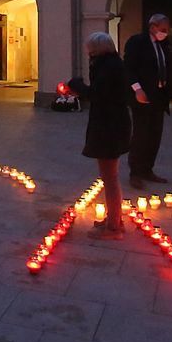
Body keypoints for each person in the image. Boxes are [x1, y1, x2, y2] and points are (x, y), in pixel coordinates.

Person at [68, 32, 132, 239]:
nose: (89, 54)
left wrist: (76, 86)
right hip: (112, 124)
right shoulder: (111, 64)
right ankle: (113, 219)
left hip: (109, 127)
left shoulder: (108, 67)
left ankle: (113, 228)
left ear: (99, 49)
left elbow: (98, 94)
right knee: (109, 177)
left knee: (110, 178)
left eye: (91, 50)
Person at [123, 13, 172, 190]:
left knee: (154, 135)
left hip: (159, 97)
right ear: (153, 27)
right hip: (142, 96)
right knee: (141, 134)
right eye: (163, 29)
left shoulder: (164, 45)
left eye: (167, 30)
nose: (165, 33)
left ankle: (147, 169)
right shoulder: (137, 42)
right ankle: (135, 172)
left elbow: (167, 71)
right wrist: (138, 89)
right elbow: (129, 68)